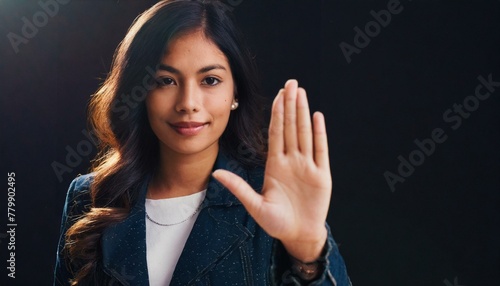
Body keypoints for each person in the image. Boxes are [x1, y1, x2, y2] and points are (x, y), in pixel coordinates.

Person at [54, 0, 351, 285]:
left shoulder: (270, 197)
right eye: (165, 80)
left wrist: (309, 250)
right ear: (139, 91)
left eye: (210, 80)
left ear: (236, 93)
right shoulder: (89, 197)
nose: (188, 103)